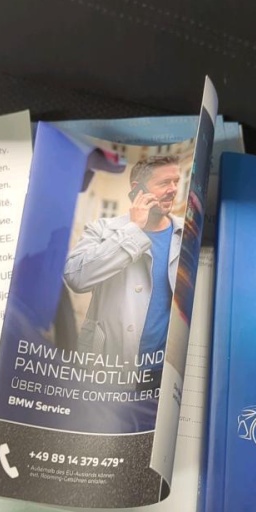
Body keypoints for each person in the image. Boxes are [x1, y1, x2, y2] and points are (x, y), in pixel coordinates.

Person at [63, 154, 183, 367]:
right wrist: (133, 229)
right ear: (138, 189)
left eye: (176, 181)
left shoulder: (187, 233)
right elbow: (75, 278)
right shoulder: (102, 229)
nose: (173, 189)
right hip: (108, 366)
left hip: (165, 369)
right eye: (165, 182)